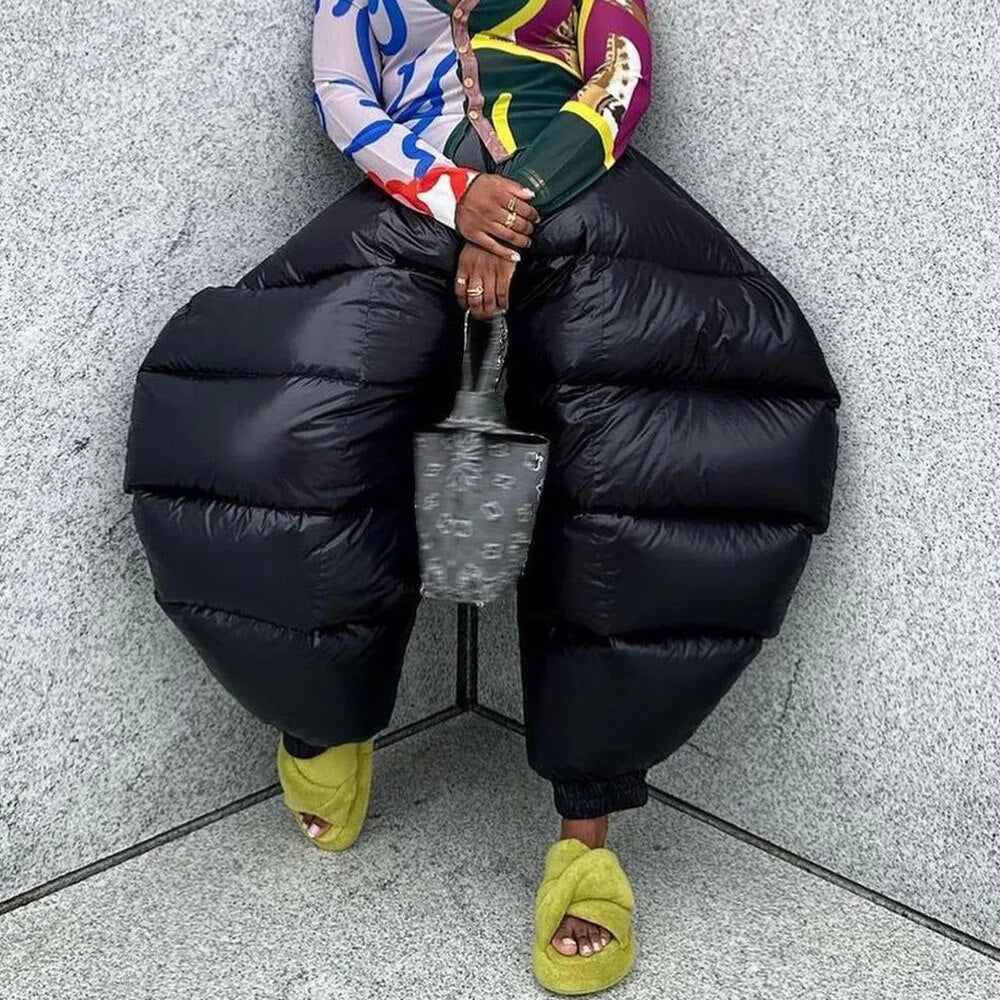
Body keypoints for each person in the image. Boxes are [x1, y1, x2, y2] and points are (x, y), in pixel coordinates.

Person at [122, 1, 841, 993]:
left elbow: (620, 74)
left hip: (587, 192)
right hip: (412, 202)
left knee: (650, 454)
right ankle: (320, 715)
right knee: (285, 423)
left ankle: (588, 830)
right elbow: (342, 94)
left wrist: (513, 208)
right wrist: (457, 198)